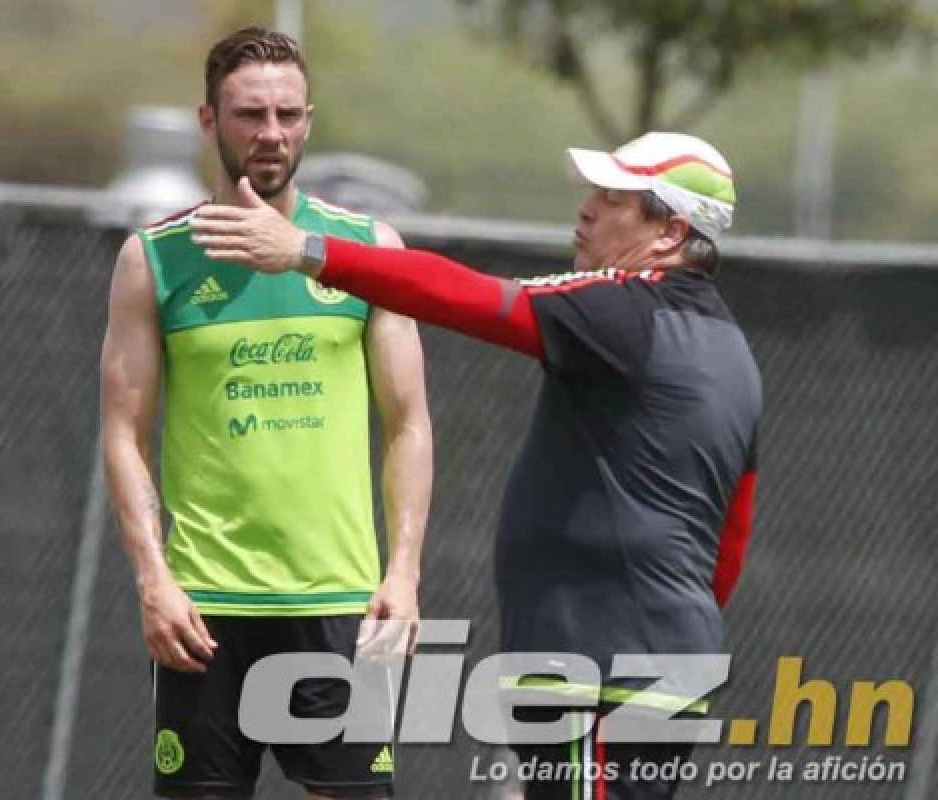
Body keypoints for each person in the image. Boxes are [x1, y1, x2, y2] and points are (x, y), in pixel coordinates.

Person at [191, 131, 762, 800]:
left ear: (670, 231)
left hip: (601, 661)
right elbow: (731, 538)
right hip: (656, 655)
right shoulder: (733, 351)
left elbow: (472, 298)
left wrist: (308, 251)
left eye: (613, 200)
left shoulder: (626, 312)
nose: (587, 210)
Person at [99, 26, 433, 800]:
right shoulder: (154, 259)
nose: (271, 133)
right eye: (250, 114)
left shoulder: (365, 250)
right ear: (209, 121)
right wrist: (154, 579)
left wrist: (404, 572)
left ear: (309, 119)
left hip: (344, 609)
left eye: (287, 114)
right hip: (205, 612)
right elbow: (123, 431)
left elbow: (409, 422)